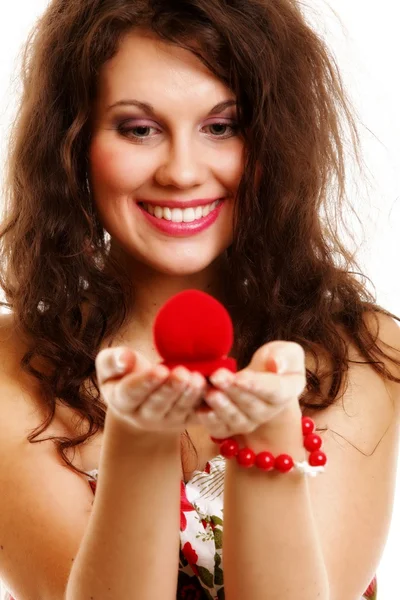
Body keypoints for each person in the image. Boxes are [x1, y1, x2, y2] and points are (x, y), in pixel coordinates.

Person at [0, 0, 399, 598]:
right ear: (75, 143)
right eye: (139, 129)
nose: (182, 172)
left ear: (273, 141)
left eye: (222, 126)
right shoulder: (9, 370)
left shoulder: (369, 351)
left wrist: (269, 442)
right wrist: (140, 441)